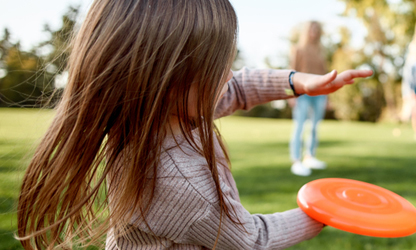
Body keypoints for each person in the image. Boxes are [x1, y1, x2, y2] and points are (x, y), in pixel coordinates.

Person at [15, 1, 372, 249]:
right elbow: (251, 239)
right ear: (170, 78)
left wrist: (295, 81)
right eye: (218, 67)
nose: (229, 75)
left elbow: (235, 88)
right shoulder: (179, 180)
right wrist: (323, 212)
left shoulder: (149, 113)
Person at [288, 21, 329, 176]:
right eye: (311, 29)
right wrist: (290, 95)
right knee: (299, 126)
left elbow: (325, 74)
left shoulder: (321, 51)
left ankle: (309, 156)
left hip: (319, 94)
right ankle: (296, 161)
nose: (314, 32)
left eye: (317, 30)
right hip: (302, 93)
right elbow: (290, 73)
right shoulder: (298, 49)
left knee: (314, 126)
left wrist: (328, 97)